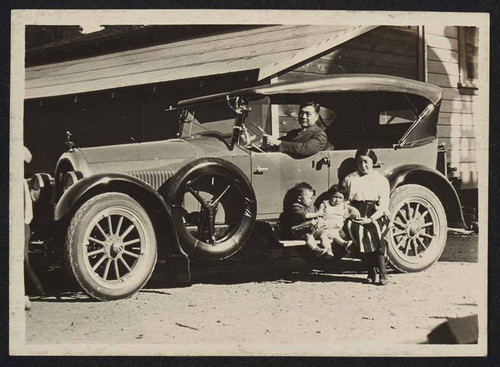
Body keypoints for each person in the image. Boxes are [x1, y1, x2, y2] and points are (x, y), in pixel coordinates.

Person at [342, 148, 391, 285]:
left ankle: (382, 270)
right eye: (359, 162)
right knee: (358, 231)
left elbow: (383, 206)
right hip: (356, 212)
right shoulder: (350, 179)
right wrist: (351, 209)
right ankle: (370, 270)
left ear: (373, 162)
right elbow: (344, 201)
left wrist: (371, 219)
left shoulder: (381, 180)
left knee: (374, 230)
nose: (363, 166)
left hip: (376, 213)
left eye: (366, 162)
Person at [263, 102, 329, 157]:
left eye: (308, 114)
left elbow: (306, 148)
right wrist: (266, 141)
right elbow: (277, 144)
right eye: (301, 113)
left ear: (316, 117)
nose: (303, 117)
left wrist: (278, 143)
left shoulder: (319, 135)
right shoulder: (293, 133)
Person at [279, 182, 328, 256]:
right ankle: (316, 249)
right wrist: (318, 213)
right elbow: (306, 216)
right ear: (299, 198)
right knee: (308, 236)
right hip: (298, 231)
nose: (311, 200)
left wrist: (320, 217)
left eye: (312, 198)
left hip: (311, 229)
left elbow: (315, 215)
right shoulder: (296, 207)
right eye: (309, 198)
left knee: (323, 234)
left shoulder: (311, 207)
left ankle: (327, 248)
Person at [24, 146, 44, 310]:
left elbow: (26, 210)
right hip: (23, 224)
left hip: (22, 225)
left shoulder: (23, 184)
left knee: (23, 259)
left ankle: (37, 288)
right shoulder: (24, 183)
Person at [316, 185, 359, 256]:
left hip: (338, 228)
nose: (337, 200)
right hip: (326, 225)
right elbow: (319, 214)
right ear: (330, 196)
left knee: (334, 233)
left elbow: (351, 209)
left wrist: (355, 211)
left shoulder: (343, 205)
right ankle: (341, 245)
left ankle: (334, 248)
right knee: (328, 235)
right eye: (335, 197)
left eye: (340, 198)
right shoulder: (325, 204)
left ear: (344, 199)